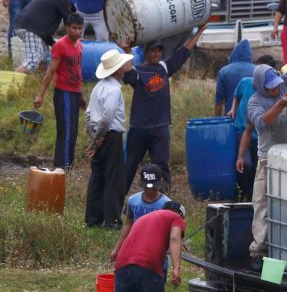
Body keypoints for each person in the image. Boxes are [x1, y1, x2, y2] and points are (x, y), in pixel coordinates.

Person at [121, 23, 208, 194]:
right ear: (146, 52)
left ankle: (164, 201)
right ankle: (117, 202)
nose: (157, 54)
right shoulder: (138, 71)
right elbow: (128, 74)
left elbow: (184, 51)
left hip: (160, 128)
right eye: (153, 51)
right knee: (129, 165)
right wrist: (127, 52)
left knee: (161, 166)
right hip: (139, 128)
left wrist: (200, 31)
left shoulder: (164, 68)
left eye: (159, 51)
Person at [236, 65, 287, 263]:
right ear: (260, 86)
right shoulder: (254, 102)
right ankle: (259, 251)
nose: (274, 90)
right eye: (270, 87)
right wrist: (280, 105)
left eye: (276, 85)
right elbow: (260, 124)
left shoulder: (283, 88)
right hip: (268, 161)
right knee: (262, 204)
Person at [84, 48, 134, 229]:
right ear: (118, 70)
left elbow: (88, 115)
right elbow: (108, 116)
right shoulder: (114, 90)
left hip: (100, 133)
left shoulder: (98, 87)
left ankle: (92, 218)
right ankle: (111, 220)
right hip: (110, 136)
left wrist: (93, 136)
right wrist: (99, 138)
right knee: (114, 178)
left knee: (98, 176)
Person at [33, 13, 84, 170]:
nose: (77, 31)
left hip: (75, 93)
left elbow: (78, 71)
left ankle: (67, 167)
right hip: (64, 94)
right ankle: (62, 168)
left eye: (80, 28)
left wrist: (81, 95)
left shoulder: (79, 45)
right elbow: (50, 72)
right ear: (67, 28)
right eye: (74, 28)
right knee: (66, 132)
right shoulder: (60, 46)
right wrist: (40, 95)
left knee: (73, 132)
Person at [228, 55, 275, 201]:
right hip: (241, 130)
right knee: (245, 163)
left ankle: (251, 197)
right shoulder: (245, 82)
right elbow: (236, 95)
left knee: (256, 167)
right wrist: (233, 109)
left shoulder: (270, 92)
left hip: (258, 135)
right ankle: (241, 194)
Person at [14, 0, 75, 74]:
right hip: (30, 29)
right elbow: (70, 20)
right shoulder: (63, 0)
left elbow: (44, 33)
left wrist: (54, 44)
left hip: (26, 26)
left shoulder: (52, 1)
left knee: (44, 56)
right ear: (69, 4)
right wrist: (74, 39)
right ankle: (12, 82)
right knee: (32, 62)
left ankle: (38, 80)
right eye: (70, 8)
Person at [215, 39, 255, 117]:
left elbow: (218, 101)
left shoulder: (224, 71)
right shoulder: (257, 71)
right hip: (252, 120)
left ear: (234, 53)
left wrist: (218, 120)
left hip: (231, 117)